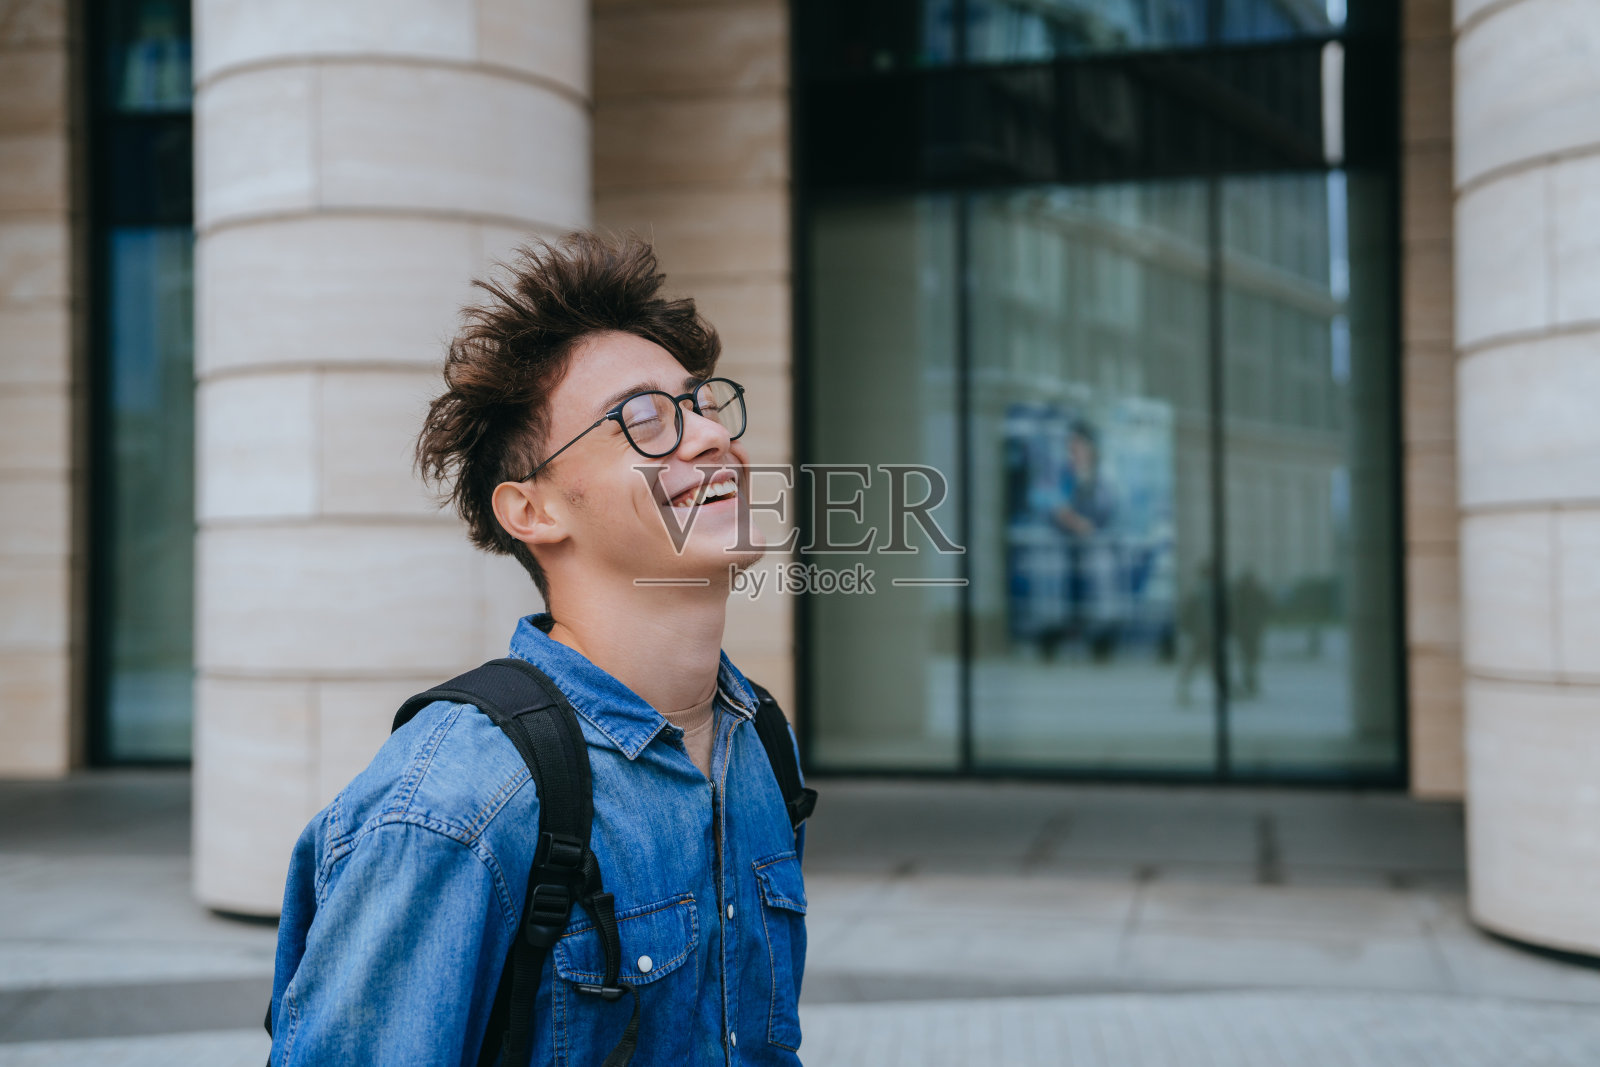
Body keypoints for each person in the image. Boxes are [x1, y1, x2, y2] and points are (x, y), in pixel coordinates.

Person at [265, 233, 808, 1065]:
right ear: (532, 510)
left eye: (698, 404)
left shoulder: (760, 742)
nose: (706, 436)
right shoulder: (459, 801)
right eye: (645, 420)